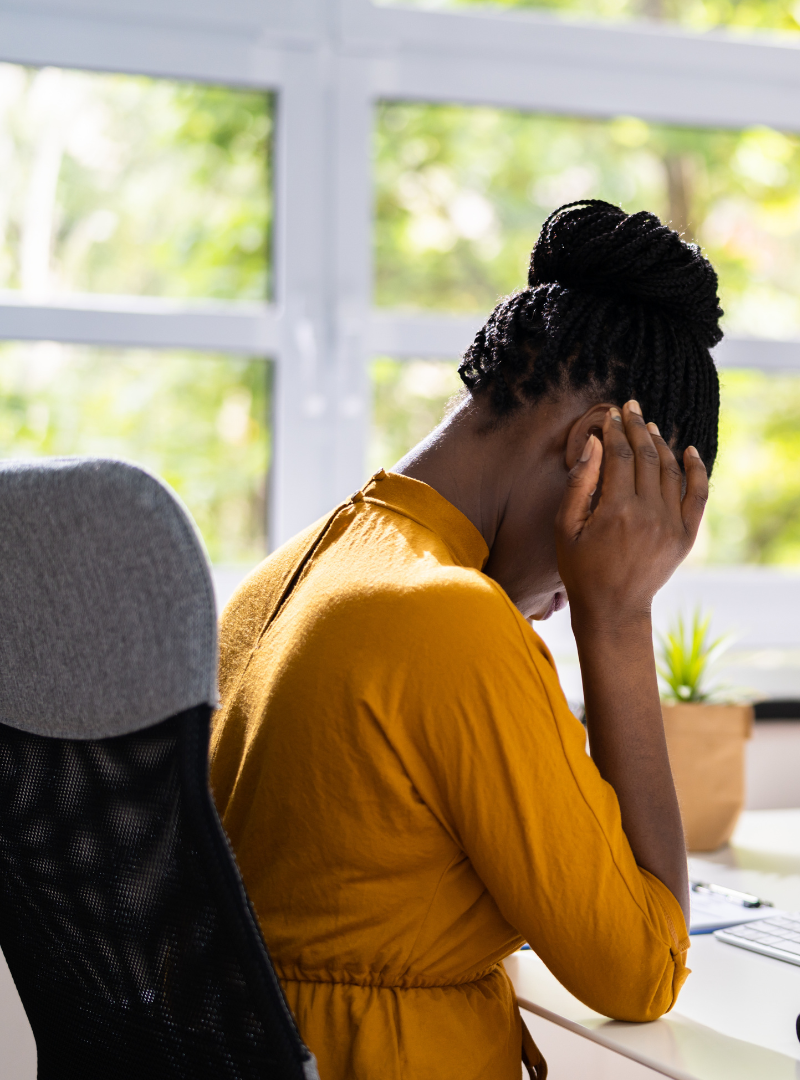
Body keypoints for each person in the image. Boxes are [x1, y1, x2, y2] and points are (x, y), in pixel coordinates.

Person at [209, 200, 720, 1080]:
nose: (560, 604)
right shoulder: (448, 620)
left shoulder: (297, 570)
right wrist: (620, 613)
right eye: (636, 517)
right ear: (595, 452)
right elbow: (643, 967)